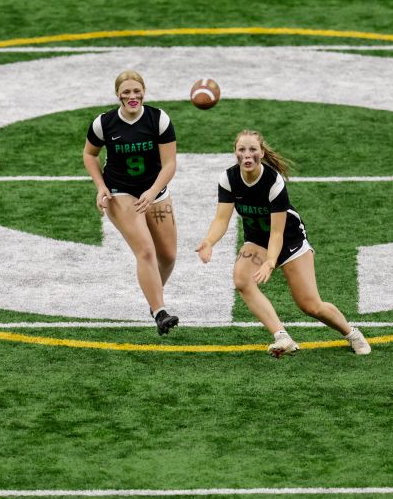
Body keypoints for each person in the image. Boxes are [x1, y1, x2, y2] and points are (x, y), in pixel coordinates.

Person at [196, 129, 371, 357]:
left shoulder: (273, 181)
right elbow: (221, 219)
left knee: (310, 305)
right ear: (235, 153)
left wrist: (270, 262)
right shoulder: (228, 179)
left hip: (290, 240)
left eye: (252, 150)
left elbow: (277, 233)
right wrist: (209, 241)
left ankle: (352, 333)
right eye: (242, 150)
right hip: (258, 240)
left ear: (261, 152)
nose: (247, 155)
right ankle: (282, 336)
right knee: (242, 280)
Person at [83, 70, 179, 334]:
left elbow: (170, 163)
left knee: (168, 255)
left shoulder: (158, 119)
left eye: (136, 91)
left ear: (144, 92)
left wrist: (152, 192)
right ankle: (160, 312)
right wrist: (100, 186)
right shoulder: (104, 123)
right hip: (120, 191)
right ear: (117, 95)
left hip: (155, 191)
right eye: (126, 92)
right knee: (145, 251)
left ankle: (153, 300)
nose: (132, 96)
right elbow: (90, 154)